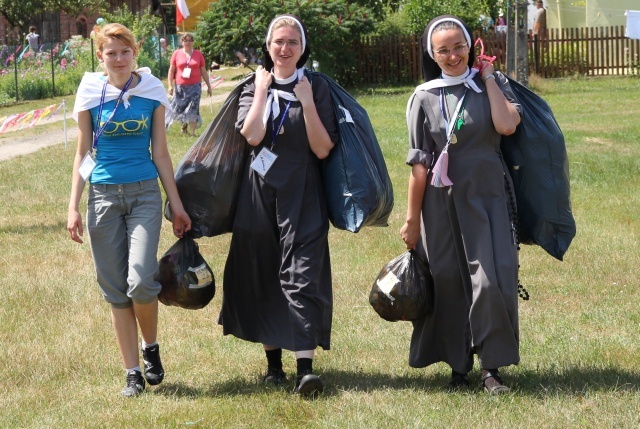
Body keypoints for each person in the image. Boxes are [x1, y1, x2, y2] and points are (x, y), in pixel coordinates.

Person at [67, 23, 192, 398]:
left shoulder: (151, 92)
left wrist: (177, 204)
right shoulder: (90, 93)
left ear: (134, 53)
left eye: (125, 52)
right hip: (102, 197)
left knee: (140, 279)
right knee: (115, 289)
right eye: (111, 53)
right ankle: (132, 372)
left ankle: (150, 347)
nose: (118, 59)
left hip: (143, 196)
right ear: (101, 57)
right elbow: (83, 153)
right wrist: (73, 206)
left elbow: (161, 153)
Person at [218, 14, 339, 397]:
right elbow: (252, 135)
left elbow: (322, 148)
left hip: (302, 189)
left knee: (302, 272)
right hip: (259, 191)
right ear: (267, 47)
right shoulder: (253, 86)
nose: (284, 49)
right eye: (278, 42)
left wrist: (306, 103)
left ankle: (305, 369)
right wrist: (262, 91)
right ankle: (274, 367)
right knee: (263, 270)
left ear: (303, 48)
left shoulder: (316, 87)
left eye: (292, 42)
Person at [401, 15, 522, 395]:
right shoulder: (423, 96)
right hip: (442, 203)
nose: (453, 55)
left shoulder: (492, 84)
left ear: (471, 46)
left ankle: (491, 367)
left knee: (490, 281)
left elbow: (506, 126)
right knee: (450, 281)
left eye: (459, 46)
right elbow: (419, 165)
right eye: (443, 49)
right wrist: (412, 219)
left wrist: (486, 78)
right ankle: (458, 363)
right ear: (431, 54)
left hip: (488, 196)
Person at [165, 33, 212, 137]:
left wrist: (209, 86)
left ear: (193, 42)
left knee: (193, 108)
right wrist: (170, 85)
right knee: (180, 108)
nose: (188, 42)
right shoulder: (176, 54)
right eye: (185, 40)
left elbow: (203, 71)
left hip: (195, 86)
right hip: (180, 86)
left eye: (190, 40)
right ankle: (184, 126)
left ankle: (192, 133)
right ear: (182, 42)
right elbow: (171, 71)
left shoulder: (198, 54)